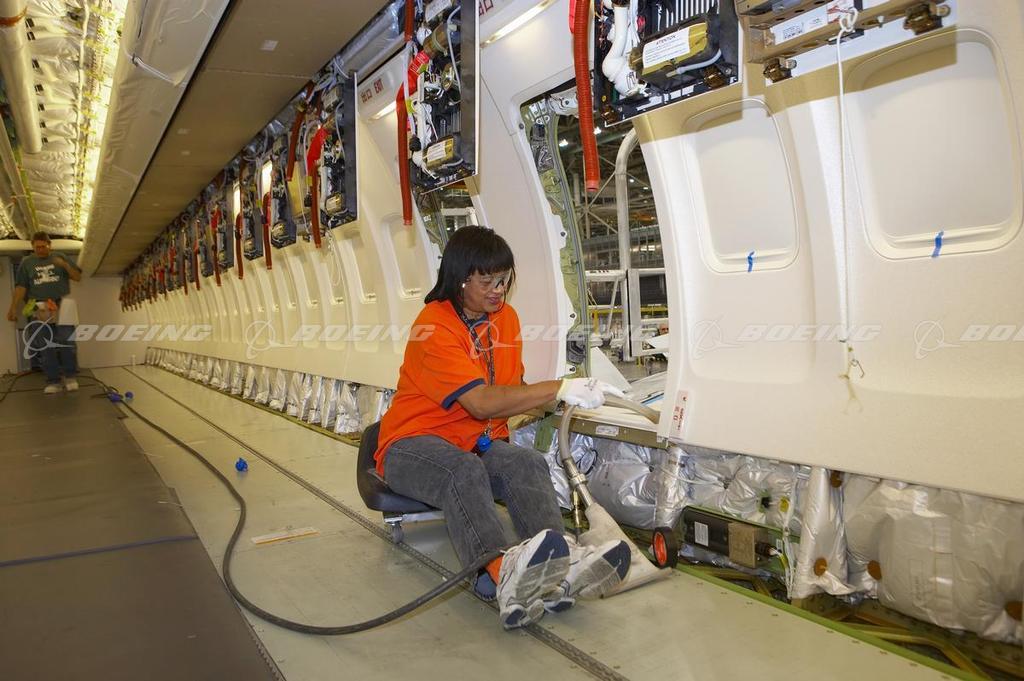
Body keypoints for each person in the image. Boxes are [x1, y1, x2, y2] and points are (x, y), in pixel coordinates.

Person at [374, 226, 628, 630]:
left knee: (526, 463)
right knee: (462, 470)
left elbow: (513, 388)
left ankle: (559, 566)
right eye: (488, 281)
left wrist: (572, 396)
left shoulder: (505, 320)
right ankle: (499, 572)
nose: (499, 290)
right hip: (411, 446)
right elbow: (480, 402)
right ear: (460, 278)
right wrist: (559, 387)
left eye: (505, 279)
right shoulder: (433, 326)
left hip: (471, 442)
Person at [6, 232, 82, 393]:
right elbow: (21, 287)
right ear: (32, 246)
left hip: (61, 303)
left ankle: (70, 377)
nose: (40, 250)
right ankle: (53, 381)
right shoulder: (27, 262)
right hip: (39, 306)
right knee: (45, 345)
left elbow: (77, 277)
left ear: (50, 245)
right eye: (37, 247)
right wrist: (13, 307)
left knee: (67, 342)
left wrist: (64, 265)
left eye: (43, 247)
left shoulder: (60, 257)